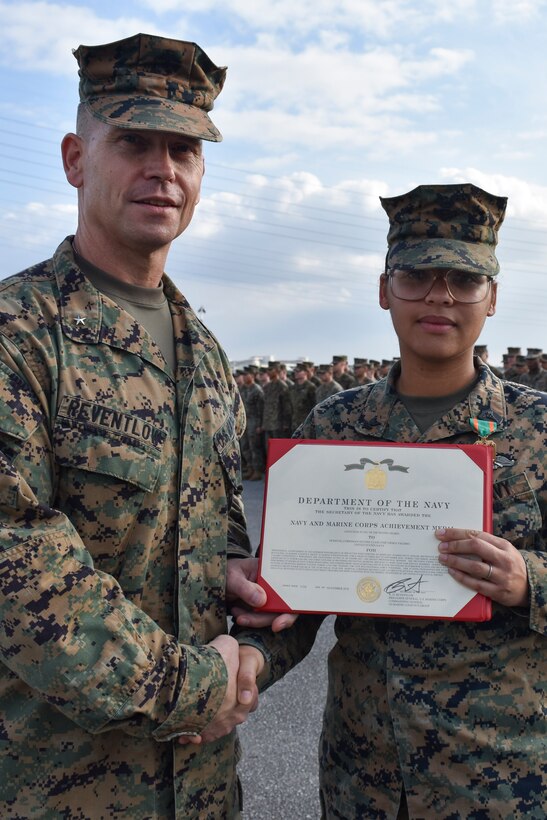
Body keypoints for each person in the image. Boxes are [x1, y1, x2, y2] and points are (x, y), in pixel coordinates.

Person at [0, 32, 268, 819]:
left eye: (184, 150)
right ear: (76, 160)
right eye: (134, 142)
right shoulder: (19, 336)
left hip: (202, 790)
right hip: (54, 790)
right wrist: (199, 688)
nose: (164, 169)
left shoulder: (207, 358)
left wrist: (243, 599)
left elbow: (216, 540)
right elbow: (16, 564)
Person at [236, 183, 547, 818]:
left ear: (492, 299)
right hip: (364, 776)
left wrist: (526, 580)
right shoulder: (334, 425)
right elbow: (296, 593)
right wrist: (244, 665)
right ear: (385, 292)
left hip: (499, 776)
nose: (441, 296)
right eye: (417, 276)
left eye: (465, 279)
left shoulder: (538, 429)